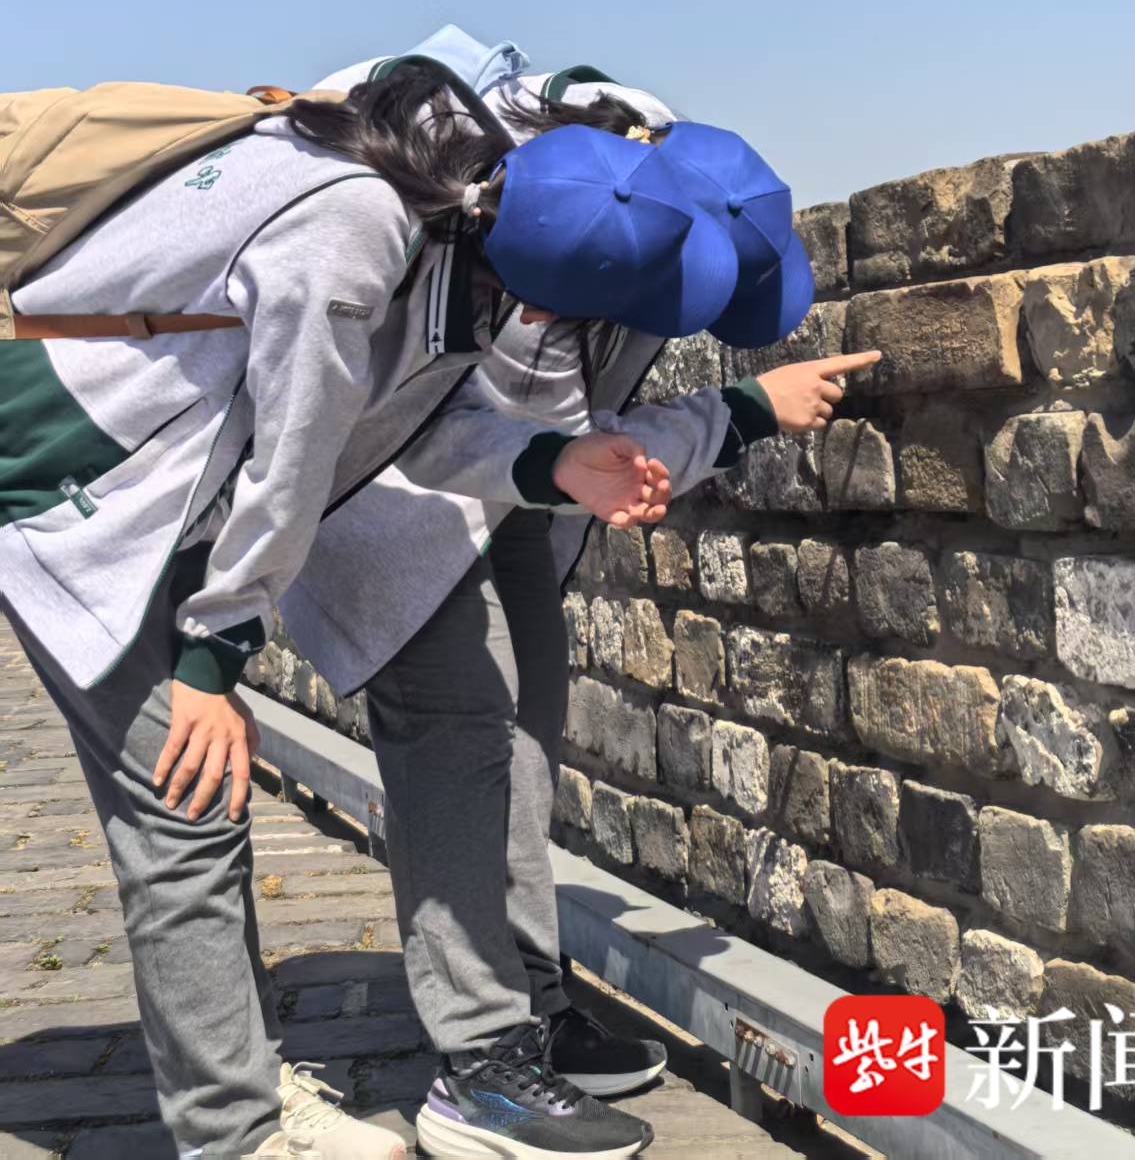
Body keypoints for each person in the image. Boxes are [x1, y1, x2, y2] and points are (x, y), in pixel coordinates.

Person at [0, 60, 780, 1160]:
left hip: (174, 478)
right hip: (73, 479)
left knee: (199, 796)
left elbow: (411, 428)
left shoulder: (462, 234)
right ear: (550, 293)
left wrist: (555, 462)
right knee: (184, 801)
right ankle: (235, 1134)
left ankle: (247, 1097)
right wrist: (214, 659)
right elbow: (298, 455)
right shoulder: (352, 235)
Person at [281, 37, 880, 1160]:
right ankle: (478, 1065)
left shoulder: (633, 211)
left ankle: (529, 1007)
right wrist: (744, 413)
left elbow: (569, 438)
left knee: (523, 738)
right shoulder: (515, 238)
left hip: (505, 490)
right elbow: (494, 428)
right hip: (396, 498)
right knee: (461, 736)